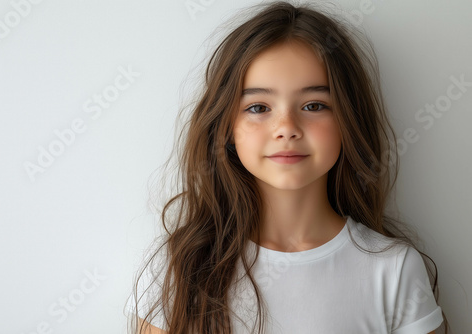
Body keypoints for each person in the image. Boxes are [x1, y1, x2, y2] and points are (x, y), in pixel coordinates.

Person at [125, 1, 449, 333]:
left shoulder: (394, 270)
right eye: (258, 107)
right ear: (226, 127)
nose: (287, 127)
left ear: (348, 120)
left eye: (313, 105)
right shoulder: (177, 268)